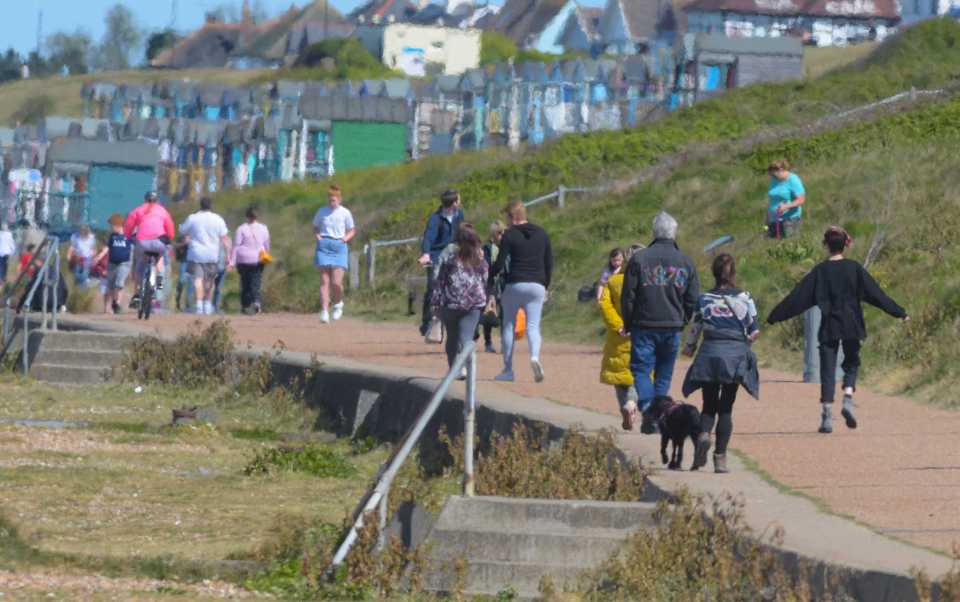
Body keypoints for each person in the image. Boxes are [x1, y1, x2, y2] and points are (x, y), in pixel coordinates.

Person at [767, 226, 908, 433]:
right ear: (845, 245)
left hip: (829, 325)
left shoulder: (820, 271)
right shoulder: (854, 268)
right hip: (852, 324)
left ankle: (826, 414)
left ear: (826, 245)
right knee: (851, 362)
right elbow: (877, 295)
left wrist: (774, 316)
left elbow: (797, 298)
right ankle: (848, 399)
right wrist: (900, 312)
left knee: (827, 369)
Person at [621, 211, 699, 434]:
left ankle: (649, 409)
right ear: (674, 233)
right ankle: (656, 416)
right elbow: (693, 297)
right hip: (672, 325)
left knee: (641, 370)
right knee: (664, 373)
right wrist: (683, 318)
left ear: (654, 232)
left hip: (643, 324)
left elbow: (628, 296)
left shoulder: (639, 259)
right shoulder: (685, 261)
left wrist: (628, 322)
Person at [681, 254, 760, 474]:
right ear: (733, 273)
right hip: (733, 357)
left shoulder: (704, 298)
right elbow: (754, 331)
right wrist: (743, 341)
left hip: (709, 354)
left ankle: (704, 434)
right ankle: (720, 458)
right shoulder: (745, 297)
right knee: (726, 407)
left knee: (708, 404)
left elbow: (695, 327)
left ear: (714, 273)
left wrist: (689, 347)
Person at [488, 200, 553, 383]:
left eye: (506, 217)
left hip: (515, 284)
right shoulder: (542, 233)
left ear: (511, 216)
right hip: (537, 286)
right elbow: (549, 263)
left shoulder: (509, 235)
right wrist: (545, 285)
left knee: (508, 326)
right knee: (533, 326)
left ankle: (508, 371)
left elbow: (500, 263)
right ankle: (534, 357)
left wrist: (489, 275)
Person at [431, 223, 488, 378]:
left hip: (451, 304)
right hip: (474, 304)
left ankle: (454, 368)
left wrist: (435, 302)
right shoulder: (480, 262)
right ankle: (465, 367)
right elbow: (485, 280)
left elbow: (440, 282)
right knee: (467, 337)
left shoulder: (450, 261)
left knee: (452, 336)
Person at [599, 244, 646, 431]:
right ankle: (632, 404)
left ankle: (623, 409)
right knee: (638, 375)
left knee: (619, 378)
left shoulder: (614, 281)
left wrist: (619, 325)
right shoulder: (646, 283)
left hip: (618, 338)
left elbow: (604, 304)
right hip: (640, 335)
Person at [419, 190, 464, 336]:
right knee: (433, 288)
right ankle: (426, 322)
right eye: (458, 199)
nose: (460, 202)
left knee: (457, 288)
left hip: (455, 255)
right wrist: (426, 254)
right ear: (453, 203)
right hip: (437, 256)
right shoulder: (436, 218)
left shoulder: (459, 215)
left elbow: (463, 234)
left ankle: (454, 322)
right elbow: (428, 237)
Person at [180, 197, 231, 316]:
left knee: (197, 279)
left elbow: (183, 231)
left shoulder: (193, 218)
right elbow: (225, 239)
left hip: (196, 253)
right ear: (210, 205)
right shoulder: (218, 219)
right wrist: (228, 256)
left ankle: (198, 305)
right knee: (210, 280)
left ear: (200, 205)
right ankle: (207, 305)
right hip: (212, 254)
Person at [312, 184, 355, 324]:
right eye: (330, 199)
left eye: (334, 199)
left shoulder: (345, 213)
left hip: (339, 246)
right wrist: (318, 236)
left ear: (339, 199)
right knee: (324, 281)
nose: (332, 201)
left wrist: (344, 239)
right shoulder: (321, 211)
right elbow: (315, 226)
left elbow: (352, 230)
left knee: (336, 282)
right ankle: (324, 310)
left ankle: (338, 304)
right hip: (324, 245)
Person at [124, 191, 175, 304]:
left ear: (145, 199)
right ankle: (159, 286)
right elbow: (170, 227)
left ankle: (137, 293)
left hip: (142, 242)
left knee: (140, 264)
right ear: (157, 200)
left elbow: (129, 225)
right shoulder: (163, 211)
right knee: (160, 260)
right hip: (158, 242)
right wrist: (169, 237)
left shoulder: (138, 210)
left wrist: (128, 236)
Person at [232, 206, 270, 315]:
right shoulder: (264, 228)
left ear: (247, 216)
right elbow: (266, 244)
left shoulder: (241, 228)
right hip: (258, 258)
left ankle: (245, 306)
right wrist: (267, 255)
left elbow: (236, 246)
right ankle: (256, 302)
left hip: (243, 259)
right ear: (257, 216)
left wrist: (232, 261)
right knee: (256, 281)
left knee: (245, 283)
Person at [92, 213, 133, 314]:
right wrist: (98, 257)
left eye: (112, 226)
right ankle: (107, 308)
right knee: (110, 286)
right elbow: (107, 248)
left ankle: (116, 304)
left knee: (119, 283)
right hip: (112, 263)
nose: (111, 228)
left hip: (124, 263)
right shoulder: (112, 236)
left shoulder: (128, 235)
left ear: (118, 225)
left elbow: (133, 249)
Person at [479, 220, 506, 353]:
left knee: (505, 313)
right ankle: (488, 342)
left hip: (504, 282)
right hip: (490, 282)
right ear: (493, 234)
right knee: (489, 311)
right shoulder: (487, 248)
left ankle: (504, 341)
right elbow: (485, 267)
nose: (502, 235)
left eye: (503, 232)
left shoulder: (507, 246)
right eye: (499, 233)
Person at [766, 159, 806, 239]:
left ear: (781, 170)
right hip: (773, 220)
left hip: (789, 220)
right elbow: (772, 201)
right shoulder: (774, 180)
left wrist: (786, 206)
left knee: (788, 244)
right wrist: (767, 220)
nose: (773, 177)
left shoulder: (793, 179)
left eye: (774, 175)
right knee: (773, 245)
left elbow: (801, 199)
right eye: (771, 175)